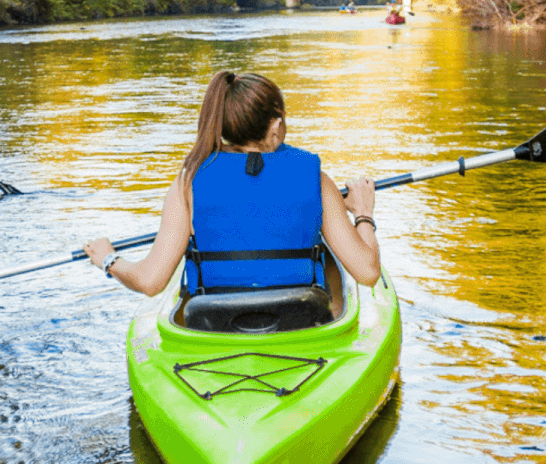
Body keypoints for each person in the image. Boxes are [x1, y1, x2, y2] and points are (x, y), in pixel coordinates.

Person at [84, 70, 380, 298]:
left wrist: (109, 259)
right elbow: (367, 272)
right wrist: (363, 214)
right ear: (276, 127)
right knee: (328, 259)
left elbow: (150, 281)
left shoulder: (188, 182)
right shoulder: (316, 180)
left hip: (215, 322)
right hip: (300, 319)